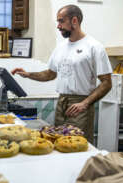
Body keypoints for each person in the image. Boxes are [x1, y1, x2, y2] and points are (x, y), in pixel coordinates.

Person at [12, 4, 112, 144]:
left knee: (77, 145)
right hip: (61, 103)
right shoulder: (60, 47)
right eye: (57, 21)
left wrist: (84, 103)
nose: (58, 26)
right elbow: (50, 74)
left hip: (80, 105)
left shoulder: (94, 47)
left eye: (61, 21)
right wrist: (28, 74)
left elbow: (107, 83)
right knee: (59, 143)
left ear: (74, 21)